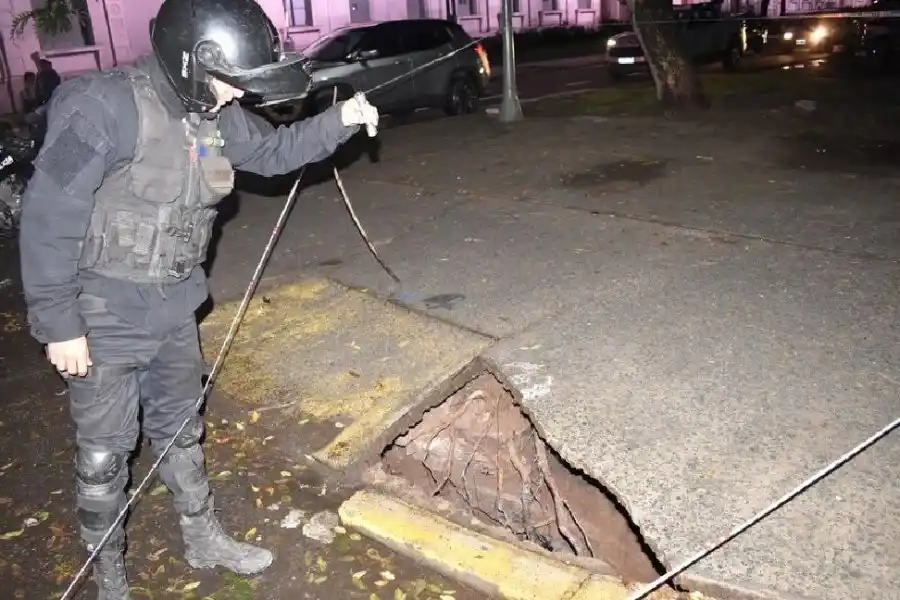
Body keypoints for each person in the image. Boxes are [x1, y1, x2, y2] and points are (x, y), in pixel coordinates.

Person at [17, 0, 379, 598]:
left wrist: (342, 119)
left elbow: (271, 154)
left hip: (175, 305)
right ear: (191, 59)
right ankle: (110, 580)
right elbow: (50, 213)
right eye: (229, 82)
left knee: (182, 427)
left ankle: (203, 537)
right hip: (102, 311)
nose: (237, 96)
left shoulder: (208, 111)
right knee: (105, 458)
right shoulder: (103, 104)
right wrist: (59, 323)